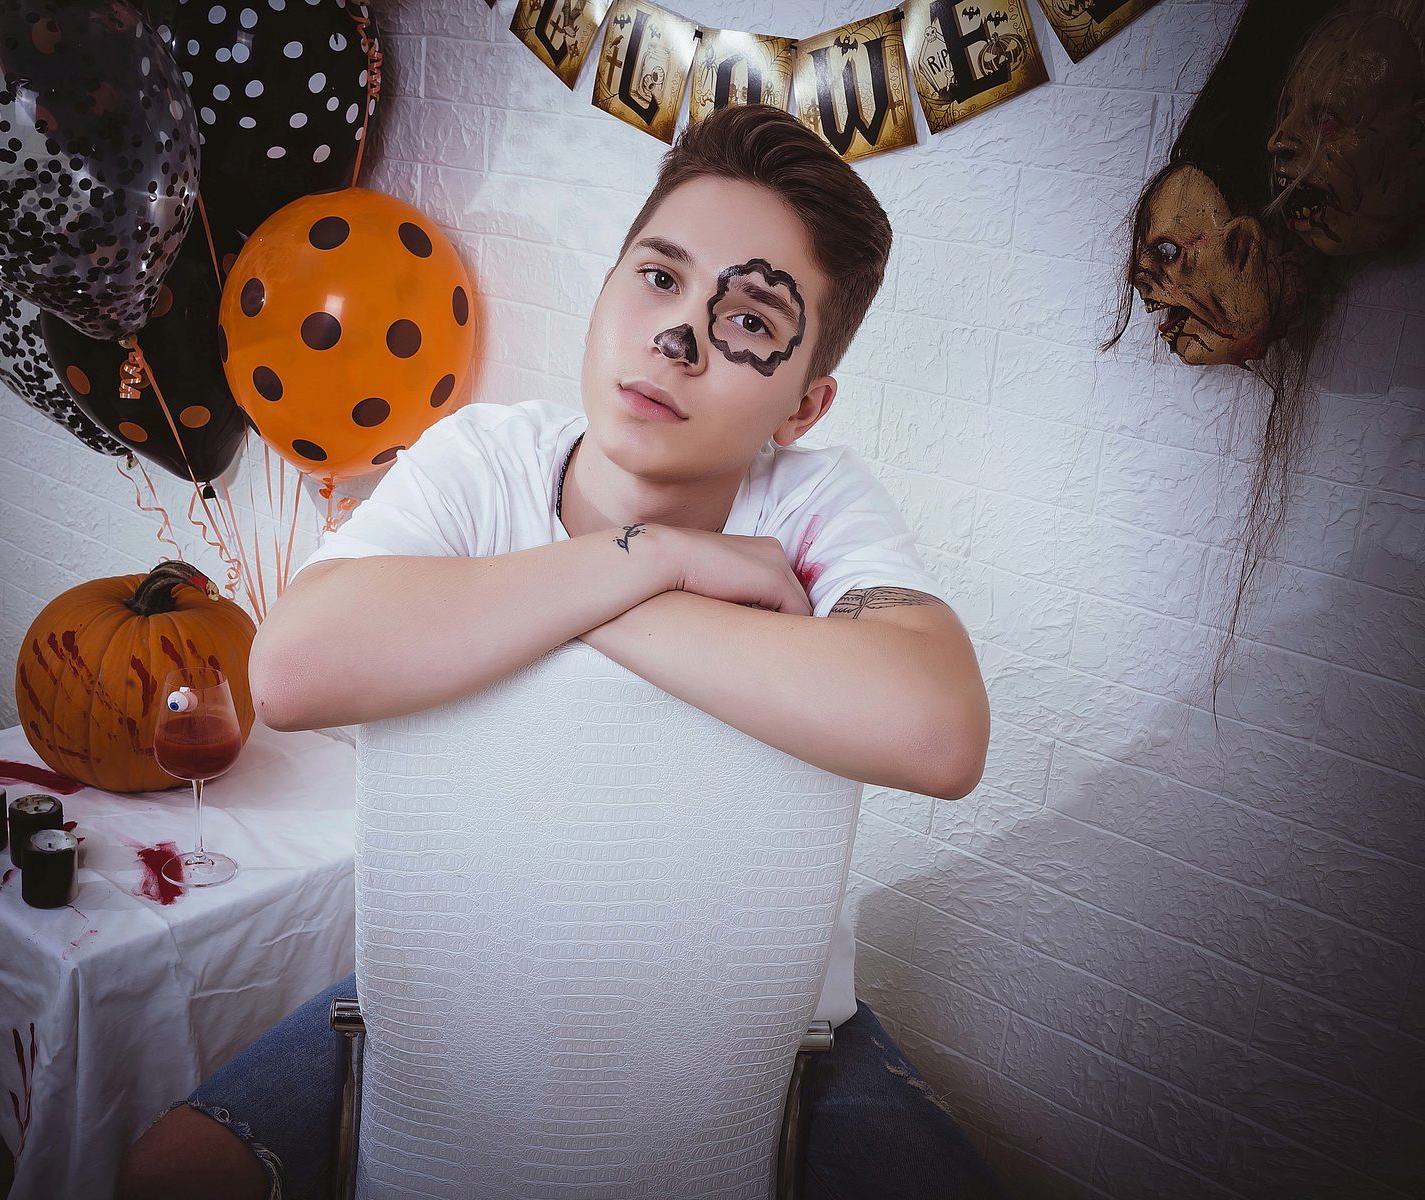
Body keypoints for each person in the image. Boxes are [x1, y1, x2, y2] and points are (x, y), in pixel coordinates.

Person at [116, 102, 997, 1200]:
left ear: (803, 406)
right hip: (465, 996)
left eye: (748, 319)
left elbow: (935, 729)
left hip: (766, 1031)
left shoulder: (815, 509)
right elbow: (292, 671)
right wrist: (651, 556)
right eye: (658, 277)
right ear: (606, 286)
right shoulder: (482, 459)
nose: (675, 340)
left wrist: (574, 592)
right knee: (172, 1174)